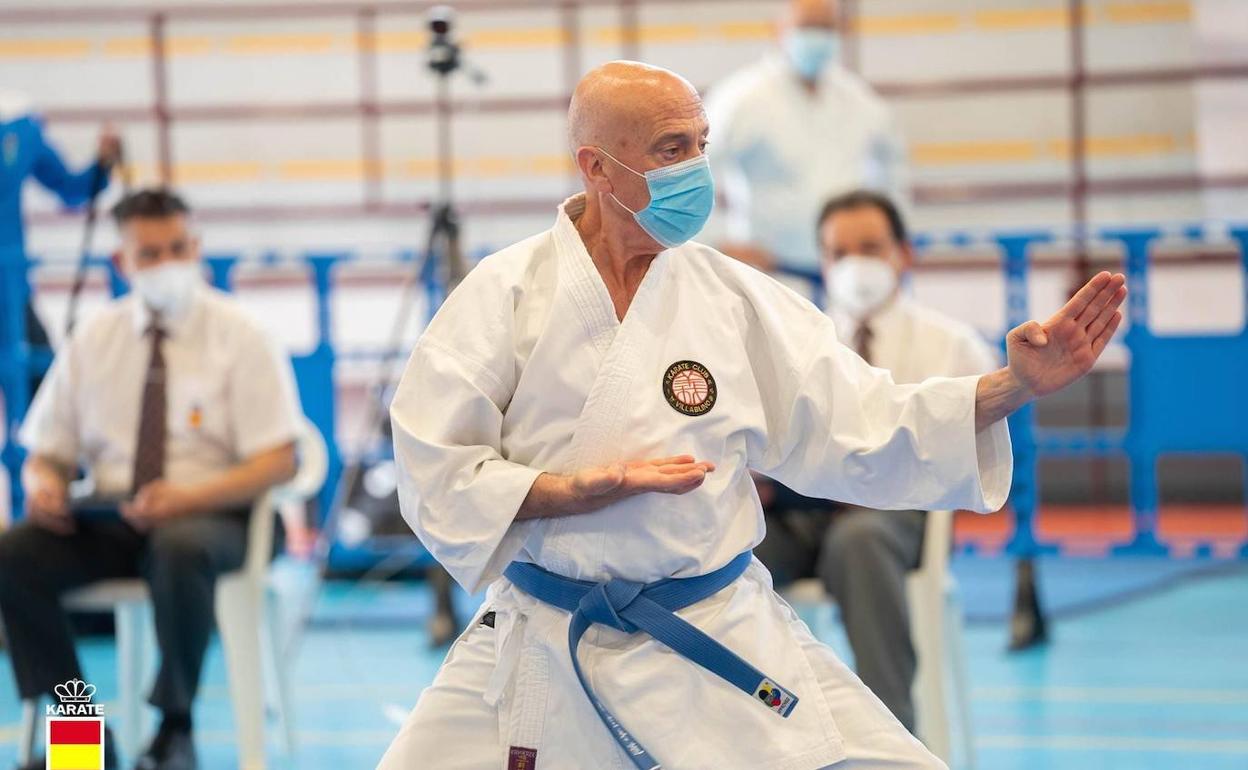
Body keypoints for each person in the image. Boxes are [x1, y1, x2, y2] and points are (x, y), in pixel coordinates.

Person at [378, 61, 1125, 770]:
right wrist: (571, 491)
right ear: (597, 167)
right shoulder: (506, 293)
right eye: (672, 150)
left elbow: (863, 420)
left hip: (712, 627)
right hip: (545, 635)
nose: (696, 170)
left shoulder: (732, 297)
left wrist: (1012, 386)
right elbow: (434, 467)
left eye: (701, 145)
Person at [0, 189, 303, 770]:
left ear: (196, 247)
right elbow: (49, 449)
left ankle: (174, 730)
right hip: (116, 516)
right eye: (151, 253)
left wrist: (187, 498)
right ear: (123, 263)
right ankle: (80, 739)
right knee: (13, 556)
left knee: (179, 545)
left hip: (219, 516)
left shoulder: (241, 334)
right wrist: (45, 484)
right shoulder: (94, 339)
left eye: (178, 248)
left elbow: (279, 459)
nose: (168, 263)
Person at [754, 189, 999, 734]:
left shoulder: (953, 347)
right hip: (798, 515)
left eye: (869, 247)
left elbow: (967, 457)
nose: (854, 264)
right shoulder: (793, 341)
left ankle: (892, 739)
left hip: (895, 519)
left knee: (860, 542)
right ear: (822, 261)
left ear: (903, 253)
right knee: (729, 550)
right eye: (839, 253)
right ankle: (759, 734)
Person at [705, 0, 907, 282]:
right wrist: (718, 240)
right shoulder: (742, 99)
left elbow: (893, 162)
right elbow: (697, 163)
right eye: (808, 27)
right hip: (770, 269)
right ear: (778, 29)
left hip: (846, 267)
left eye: (826, 27)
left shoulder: (857, 97)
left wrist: (894, 234)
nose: (818, 37)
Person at [0, 88, 120, 526]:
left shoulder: (18, 124)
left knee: (51, 398)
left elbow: (71, 188)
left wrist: (101, 167)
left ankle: (71, 516)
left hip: (10, 298)